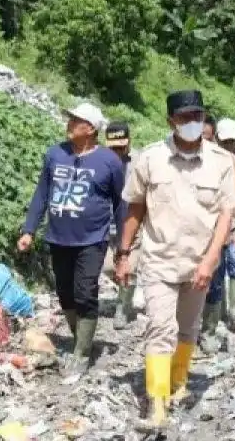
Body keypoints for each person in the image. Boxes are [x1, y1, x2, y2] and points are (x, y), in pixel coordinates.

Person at [116, 90, 235, 428]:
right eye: (184, 118)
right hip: (159, 260)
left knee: (188, 328)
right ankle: (157, 406)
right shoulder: (151, 158)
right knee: (160, 329)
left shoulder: (221, 162)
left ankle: (178, 382)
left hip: (199, 262)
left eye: (197, 116)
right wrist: (124, 253)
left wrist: (210, 261)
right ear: (171, 121)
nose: (192, 123)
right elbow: (135, 208)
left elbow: (226, 216)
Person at [19, 102, 125, 376]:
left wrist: (123, 246)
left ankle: (82, 352)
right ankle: (82, 336)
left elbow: (121, 204)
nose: (68, 124)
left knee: (85, 291)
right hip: (59, 237)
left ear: (90, 129)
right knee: (65, 292)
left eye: (75, 120)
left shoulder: (109, 162)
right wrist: (29, 230)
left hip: (93, 238)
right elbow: (42, 193)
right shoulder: (55, 154)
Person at [199, 118, 235, 349]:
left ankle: (228, 315)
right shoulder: (187, 160)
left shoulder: (233, 162)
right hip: (199, 230)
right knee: (211, 278)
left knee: (230, 267)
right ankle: (205, 325)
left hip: (226, 228)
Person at [104, 120, 138, 329]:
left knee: (130, 267)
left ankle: (123, 308)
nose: (118, 151)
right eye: (113, 147)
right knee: (108, 265)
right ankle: (126, 290)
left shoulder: (139, 162)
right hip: (107, 223)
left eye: (121, 147)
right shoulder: (100, 161)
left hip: (132, 223)